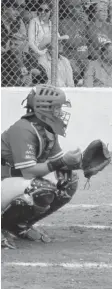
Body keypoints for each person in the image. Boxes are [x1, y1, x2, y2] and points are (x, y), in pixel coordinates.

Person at [1, 85, 82, 249]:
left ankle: (18, 227)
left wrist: (85, 162)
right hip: (4, 179)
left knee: (68, 179)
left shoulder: (47, 130)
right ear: (43, 108)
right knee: (40, 189)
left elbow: (61, 164)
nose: (60, 112)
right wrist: (61, 162)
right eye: (57, 107)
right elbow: (29, 171)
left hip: (10, 180)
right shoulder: (23, 129)